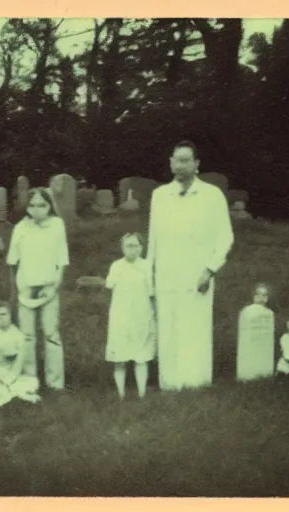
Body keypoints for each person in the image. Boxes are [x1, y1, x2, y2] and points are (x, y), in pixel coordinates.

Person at [146, 140, 234, 391]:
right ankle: (170, 383)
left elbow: (225, 237)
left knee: (195, 328)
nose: (181, 165)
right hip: (167, 274)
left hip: (198, 274)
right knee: (169, 328)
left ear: (196, 164)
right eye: (177, 160)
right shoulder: (160, 195)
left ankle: (196, 383)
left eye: (186, 160)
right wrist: (149, 275)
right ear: (170, 163)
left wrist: (210, 269)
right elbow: (152, 240)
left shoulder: (212, 195)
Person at [6, 187, 70, 391]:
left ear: (50, 206)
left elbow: (62, 260)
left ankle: (55, 382)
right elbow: (12, 261)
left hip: (49, 287)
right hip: (26, 287)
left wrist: (54, 286)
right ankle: (29, 379)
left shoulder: (57, 225)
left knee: (51, 333)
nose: (37, 210)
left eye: (42, 205)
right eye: (32, 206)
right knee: (27, 336)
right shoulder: (21, 228)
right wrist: (15, 293)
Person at [104, 232, 157, 400]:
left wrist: (151, 312)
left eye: (136, 246)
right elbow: (109, 284)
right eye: (128, 246)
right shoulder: (117, 266)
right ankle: (121, 393)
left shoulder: (147, 265)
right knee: (120, 354)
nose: (132, 250)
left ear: (142, 247)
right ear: (122, 248)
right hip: (121, 314)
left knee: (141, 355)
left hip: (141, 314)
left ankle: (142, 393)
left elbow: (151, 291)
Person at [0, 304, 41, 406]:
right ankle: (17, 395)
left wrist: (10, 379)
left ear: (10, 316)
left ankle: (10, 394)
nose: (0, 317)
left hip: (14, 377)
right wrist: (1, 377)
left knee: (32, 382)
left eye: (3, 314)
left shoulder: (19, 336)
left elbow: (19, 362)